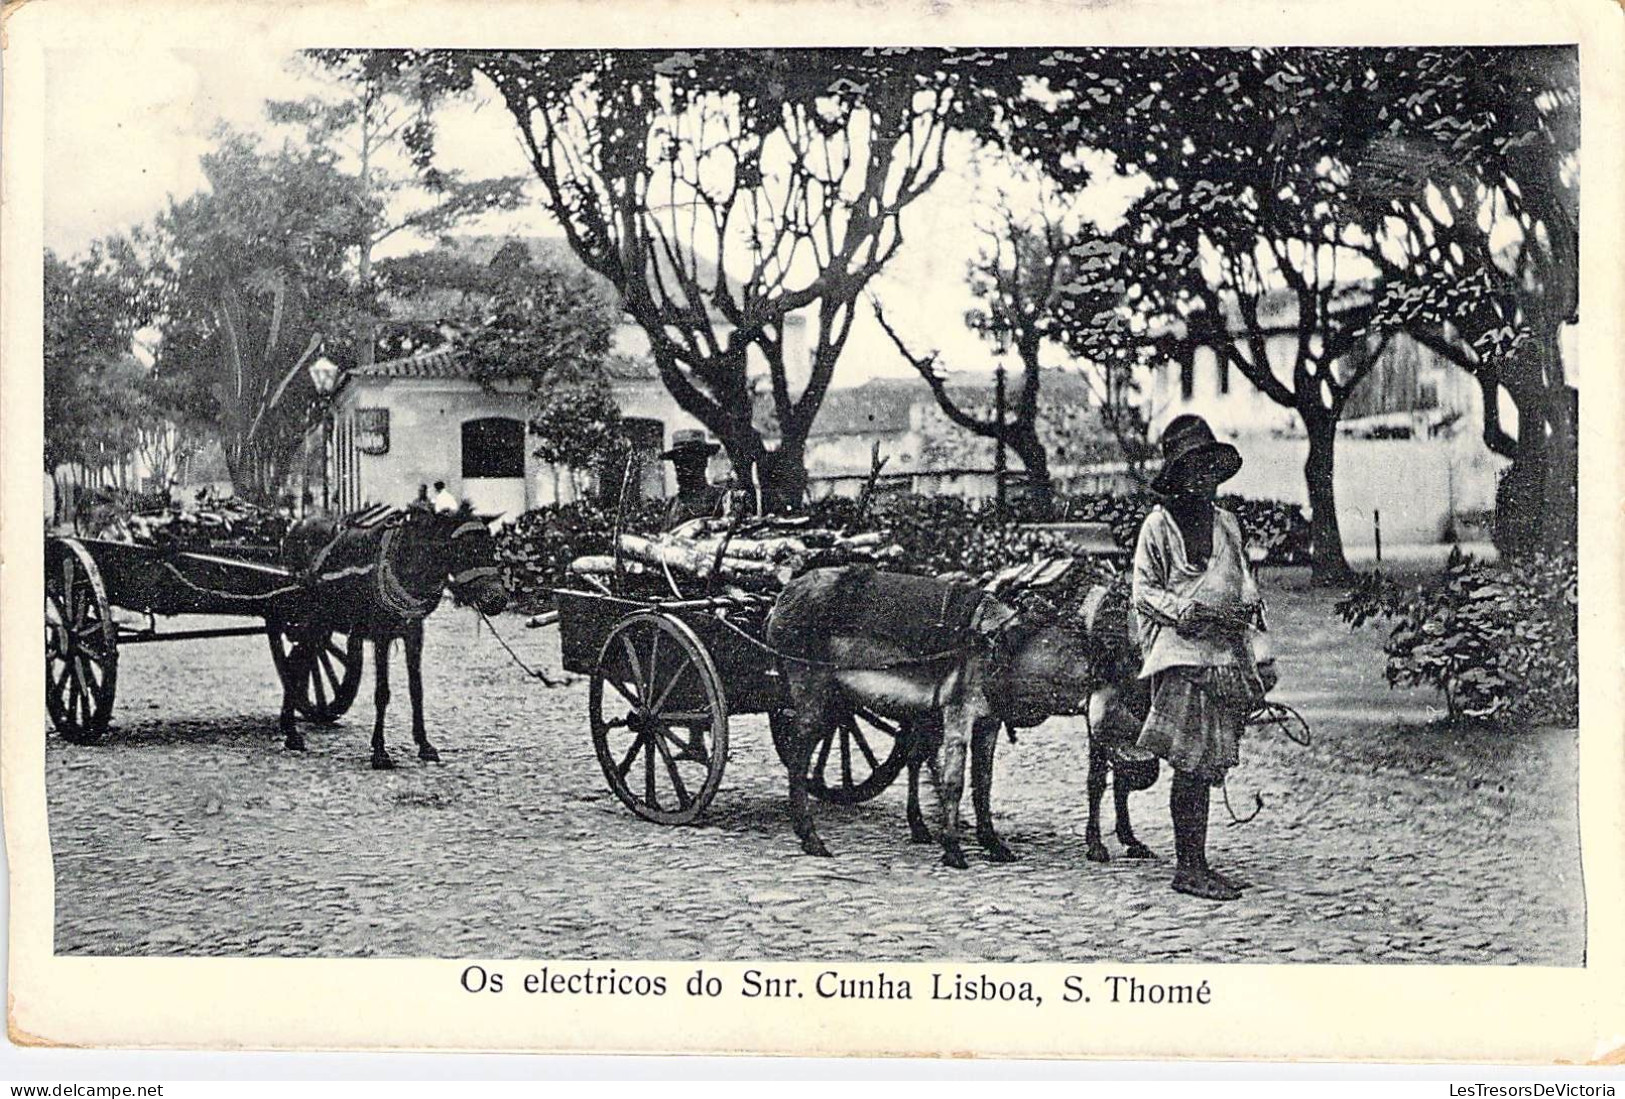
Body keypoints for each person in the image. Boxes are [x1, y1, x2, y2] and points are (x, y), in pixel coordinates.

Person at [1131, 414, 1277, 902]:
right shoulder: (1159, 526)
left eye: (1209, 469)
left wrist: (1253, 628)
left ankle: (1198, 861)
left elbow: (1245, 583)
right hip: (1182, 656)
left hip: (1224, 654)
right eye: (1192, 470)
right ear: (1177, 476)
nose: (1203, 480)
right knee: (1189, 764)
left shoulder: (1226, 525)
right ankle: (1188, 867)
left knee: (1210, 761)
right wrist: (1184, 610)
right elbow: (1144, 592)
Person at [660, 430, 725, 530]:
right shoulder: (672, 504)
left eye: (690, 462)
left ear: (704, 462)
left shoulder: (720, 498)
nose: (682, 469)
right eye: (678, 462)